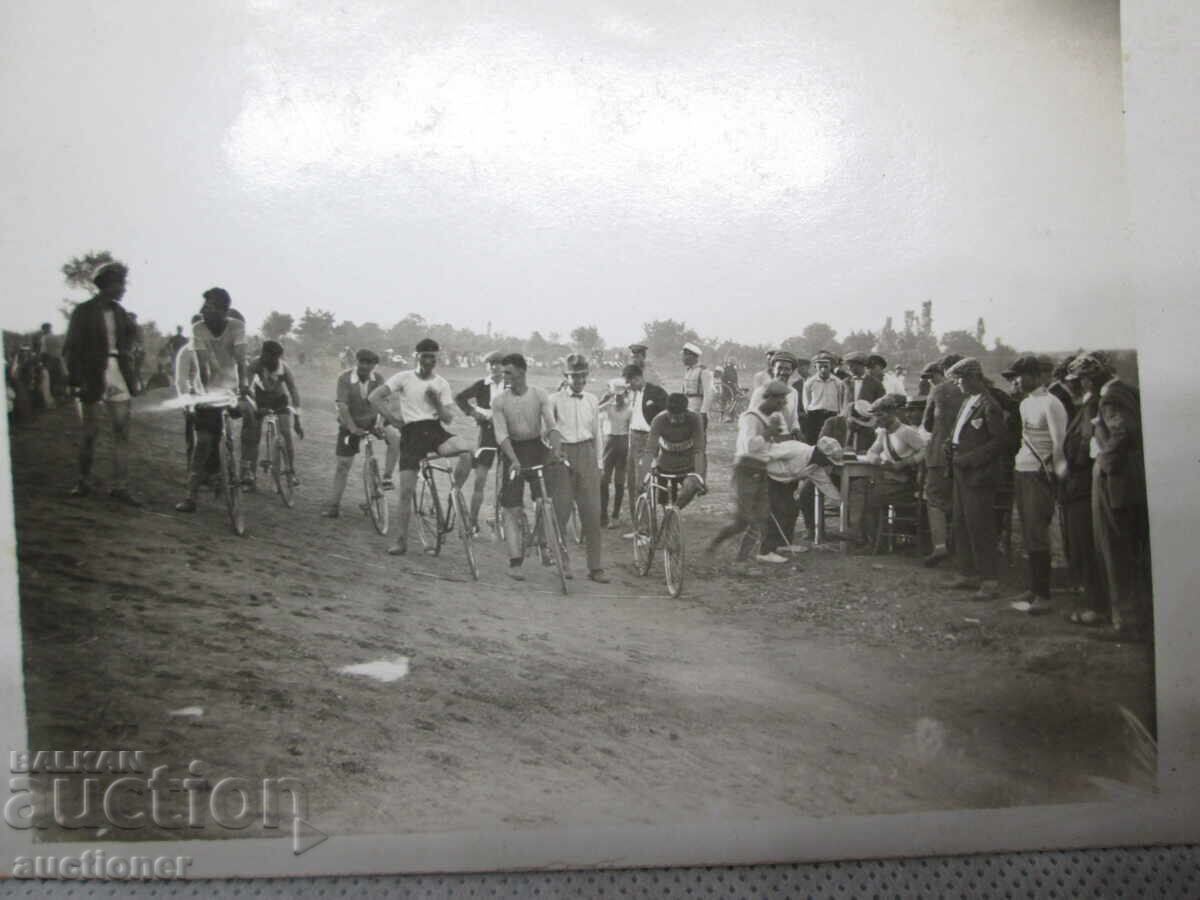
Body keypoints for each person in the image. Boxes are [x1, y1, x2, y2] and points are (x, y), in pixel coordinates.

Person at [370, 339, 474, 555]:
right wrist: (392, 418)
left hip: (435, 431)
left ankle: (453, 495)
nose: (429, 361)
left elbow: (447, 419)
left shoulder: (441, 383)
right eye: (425, 356)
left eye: (433, 357)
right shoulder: (403, 377)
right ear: (416, 356)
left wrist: (436, 402)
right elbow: (374, 397)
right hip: (412, 434)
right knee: (406, 492)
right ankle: (401, 541)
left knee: (467, 453)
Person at [1073, 353, 1151, 639]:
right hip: (1132, 478)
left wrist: (1104, 465)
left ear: (1091, 377)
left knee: (1115, 549)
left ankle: (1127, 622)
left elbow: (1122, 434)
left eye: (1082, 379)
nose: (1081, 385)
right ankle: (1135, 617)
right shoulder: (1128, 390)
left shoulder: (1111, 396)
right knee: (1133, 551)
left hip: (1117, 481)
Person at [62, 261, 143, 505]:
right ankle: (83, 481)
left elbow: (128, 345)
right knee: (90, 432)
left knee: (122, 431)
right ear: (106, 285)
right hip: (91, 374)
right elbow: (71, 348)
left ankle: (120, 486)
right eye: (119, 284)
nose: (123, 289)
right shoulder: (83, 312)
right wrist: (76, 380)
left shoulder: (120, 313)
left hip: (117, 372)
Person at [173, 287, 254, 512]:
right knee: (204, 443)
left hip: (233, 387)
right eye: (203, 307)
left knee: (249, 414)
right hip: (207, 388)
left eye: (208, 307)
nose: (202, 311)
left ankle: (245, 469)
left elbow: (240, 360)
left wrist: (244, 387)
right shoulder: (198, 328)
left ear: (223, 310)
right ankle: (191, 496)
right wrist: (205, 394)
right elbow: (201, 365)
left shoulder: (237, 326)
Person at [1001, 355, 1070, 614]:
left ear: (1035, 375)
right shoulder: (1025, 404)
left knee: (1039, 531)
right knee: (1028, 530)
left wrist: (1056, 473)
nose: (1016, 381)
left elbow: (1059, 443)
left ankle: (1044, 594)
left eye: (1020, 375)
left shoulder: (1052, 403)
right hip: (1023, 469)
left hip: (1040, 473)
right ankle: (1034, 587)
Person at [490, 353, 564, 581]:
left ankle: (544, 543)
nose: (505, 376)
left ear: (522, 372)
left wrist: (556, 449)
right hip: (512, 450)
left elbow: (551, 425)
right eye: (503, 373)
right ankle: (515, 560)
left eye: (509, 372)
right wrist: (513, 459)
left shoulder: (539, 394)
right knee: (511, 507)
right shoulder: (499, 401)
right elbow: (501, 434)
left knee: (545, 500)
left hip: (535, 448)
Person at [942, 357, 1010, 601]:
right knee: (961, 522)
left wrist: (969, 458)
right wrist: (950, 444)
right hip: (961, 470)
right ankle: (967, 573)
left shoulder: (989, 404)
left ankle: (989, 581)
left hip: (978, 474)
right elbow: (958, 431)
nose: (957, 384)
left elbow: (1000, 441)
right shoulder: (968, 402)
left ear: (973, 378)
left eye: (960, 380)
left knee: (980, 526)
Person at [706, 379, 792, 569]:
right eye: (780, 400)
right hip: (746, 468)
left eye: (784, 400)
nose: (783, 404)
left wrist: (773, 435)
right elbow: (749, 446)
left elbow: (769, 445)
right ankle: (713, 545)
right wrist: (768, 434)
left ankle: (741, 561)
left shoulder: (770, 418)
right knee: (742, 520)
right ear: (768, 398)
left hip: (761, 469)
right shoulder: (750, 417)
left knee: (761, 517)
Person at [548, 355, 610, 582]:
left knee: (592, 513)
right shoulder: (553, 400)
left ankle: (596, 567)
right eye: (574, 375)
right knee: (561, 511)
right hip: (561, 454)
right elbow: (546, 430)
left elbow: (597, 433)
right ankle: (563, 564)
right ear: (566, 376)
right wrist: (553, 451)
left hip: (586, 454)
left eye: (583, 375)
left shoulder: (592, 400)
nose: (579, 380)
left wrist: (600, 463)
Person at [320, 349, 397, 517]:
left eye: (370, 363)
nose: (366, 366)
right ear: (357, 362)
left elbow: (383, 403)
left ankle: (386, 478)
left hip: (373, 421)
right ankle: (334, 506)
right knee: (343, 465)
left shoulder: (378, 379)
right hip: (350, 423)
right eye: (362, 362)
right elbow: (342, 406)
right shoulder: (345, 378)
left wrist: (379, 423)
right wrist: (352, 428)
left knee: (395, 437)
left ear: (374, 365)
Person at [1059, 359, 1106, 625]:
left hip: (1081, 483)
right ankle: (1093, 602)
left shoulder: (1091, 405)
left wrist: (1071, 465)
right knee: (1081, 543)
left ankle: (1095, 606)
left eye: (1075, 381)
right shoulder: (1087, 404)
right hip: (1079, 482)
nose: (1071, 386)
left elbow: (1086, 442)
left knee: (1085, 544)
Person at [861, 394, 927, 547]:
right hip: (892, 482)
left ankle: (876, 544)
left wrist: (906, 462)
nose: (877, 419)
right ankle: (876, 540)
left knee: (871, 500)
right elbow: (871, 452)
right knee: (865, 493)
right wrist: (878, 460)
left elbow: (925, 450)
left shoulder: (906, 432)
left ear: (892, 413)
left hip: (906, 484)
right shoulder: (884, 433)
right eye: (876, 415)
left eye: (880, 415)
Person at [240, 340, 303, 492]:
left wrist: (297, 419)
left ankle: (290, 471)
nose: (264, 357)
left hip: (279, 401)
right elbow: (246, 386)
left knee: (286, 433)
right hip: (259, 400)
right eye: (263, 353)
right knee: (252, 437)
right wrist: (252, 404)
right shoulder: (255, 364)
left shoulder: (284, 368)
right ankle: (249, 477)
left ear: (277, 357)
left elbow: (293, 391)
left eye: (268, 356)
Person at [765, 436, 845, 555]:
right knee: (776, 511)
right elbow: (766, 454)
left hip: (787, 481)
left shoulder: (816, 466)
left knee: (792, 508)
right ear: (820, 454)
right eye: (827, 460)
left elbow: (826, 484)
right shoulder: (796, 449)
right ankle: (768, 548)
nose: (827, 464)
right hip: (768, 477)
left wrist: (843, 502)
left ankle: (784, 544)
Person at [918, 359, 964, 566]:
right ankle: (959, 548)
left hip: (939, 453)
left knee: (934, 498)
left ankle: (940, 546)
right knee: (960, 499)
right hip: (964, 453)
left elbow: (927, 424)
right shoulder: (976, 391)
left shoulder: (939, 390)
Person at [455, 350, 506, 534]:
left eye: (499, 363)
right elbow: (459, 398)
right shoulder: (482, 384)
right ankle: (473, 522)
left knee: (508, 479)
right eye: (491, 363)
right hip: (488, 434)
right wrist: (474, 413)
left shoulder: (511, 385)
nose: (494, 367)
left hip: (508, 435)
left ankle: (501, 518)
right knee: (480, 479)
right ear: (487, 366)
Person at [642, 391, 707, 516]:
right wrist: (643, 476)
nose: (674, 421)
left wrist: (699, 477)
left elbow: (699, 450)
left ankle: (673, 514)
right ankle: (666, 513)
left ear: (686, 411)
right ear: (667, 412)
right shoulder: (659, 420)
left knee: (690, 487)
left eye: (678, 417)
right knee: (661, 496)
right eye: (671, 416)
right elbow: (649, 450)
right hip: (664, 465)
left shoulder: (695, 419)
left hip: (688, 466)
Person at [622, 364, 668, 537]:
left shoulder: (656, 393)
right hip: (632, 440)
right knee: (633, 483)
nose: (628, 385)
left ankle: (646, 530)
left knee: (643, 483)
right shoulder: (629, 395)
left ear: (637, 378)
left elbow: (666, 415)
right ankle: (638, 528)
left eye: (630, 381)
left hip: (648, 440)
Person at [599, 377, 632, 528]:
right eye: (615, 394)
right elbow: (592, 411)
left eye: (621, 394)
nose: (618, 397)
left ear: (625, 394)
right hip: (609, 444)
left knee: (619, 482)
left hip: (623, 444)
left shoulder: (630, 408)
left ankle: (615, 515)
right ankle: (603, 514)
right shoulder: (607, 407)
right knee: (604, 480)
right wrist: (604, 399)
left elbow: (632, 429)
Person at [747, 351, 804, 440]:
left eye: (787, 369)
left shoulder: (793, 392)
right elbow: (751, 419)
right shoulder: (761, 391)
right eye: (779, 368)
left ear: (792, 371)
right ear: (773, 369)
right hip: (766, 440)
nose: (782, 372)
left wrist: (796, 430)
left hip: (787, 438)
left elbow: (794, 418)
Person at [802, 352, 845, 444]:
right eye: (820, 367)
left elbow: (840, 400)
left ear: (831, 366)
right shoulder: (809, 383)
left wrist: (839, 414)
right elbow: (806, 401)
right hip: (814, 416)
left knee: (831, 442)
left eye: (826, 366)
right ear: (815, 367)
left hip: (832, 415)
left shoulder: (838, 382)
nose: (823, 370)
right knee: (813, 441)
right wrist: (811, 412)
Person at [678, 342, 714, 429]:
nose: (682, 358)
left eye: (684, 356)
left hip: (697, 408)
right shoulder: (688, 371)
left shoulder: (704, 371)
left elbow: (708, 394)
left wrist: (703, 412)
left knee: (698, 436)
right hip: (686, 407)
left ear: (692, 356)